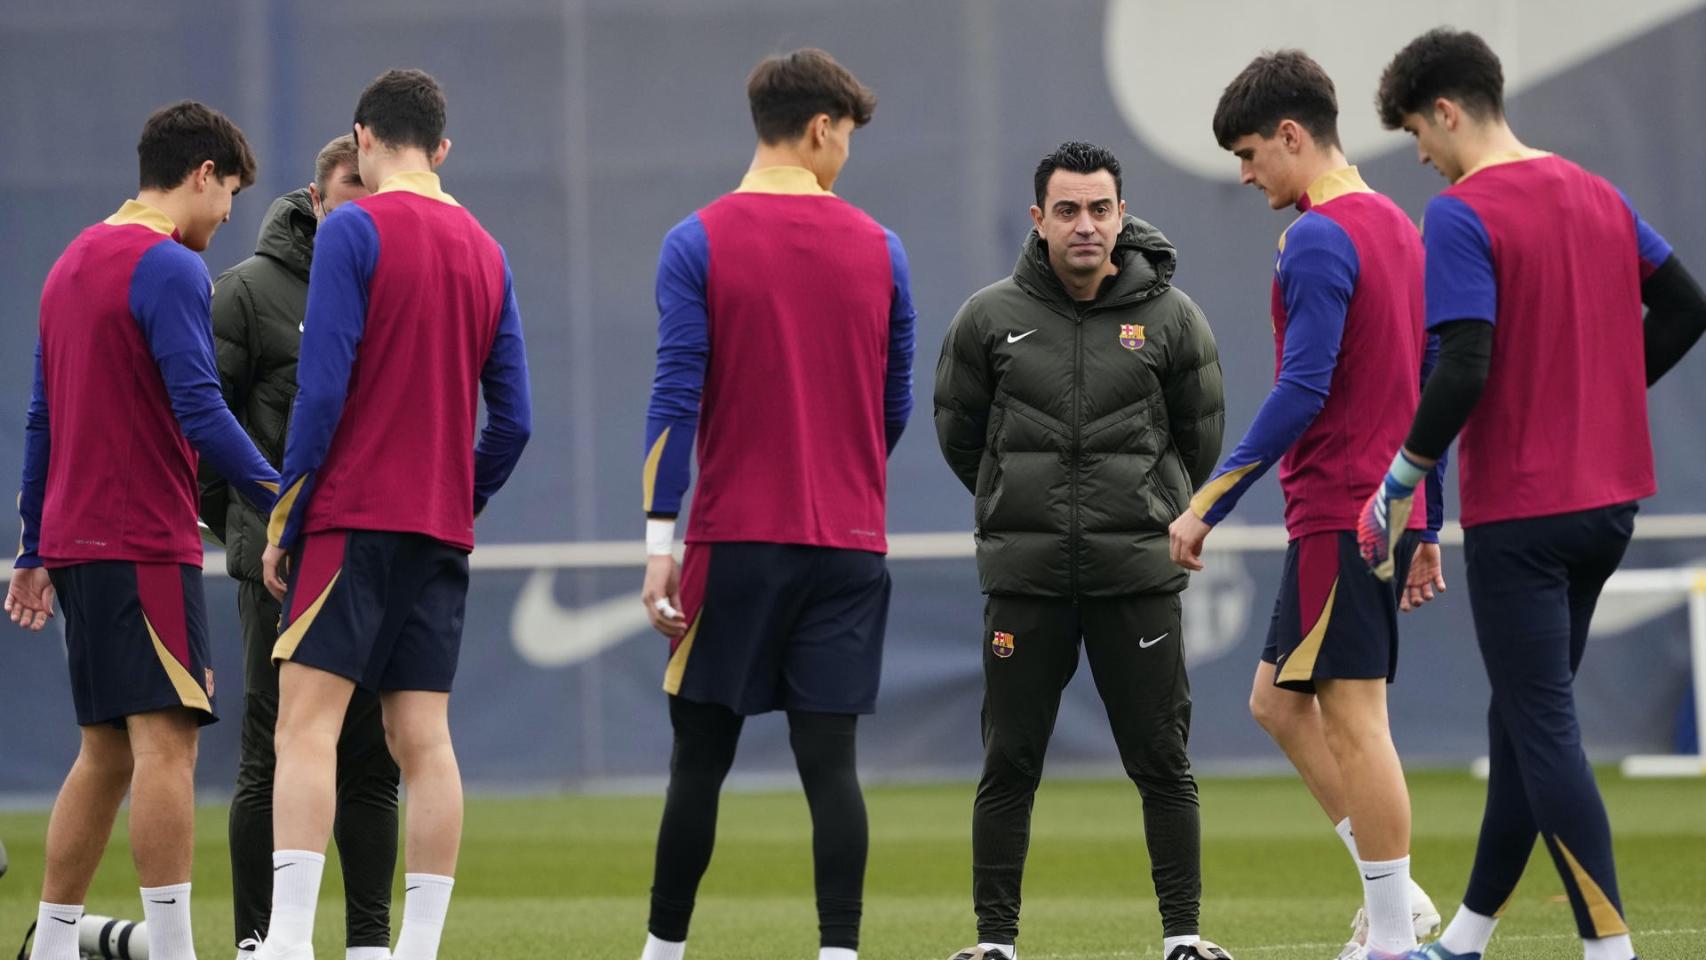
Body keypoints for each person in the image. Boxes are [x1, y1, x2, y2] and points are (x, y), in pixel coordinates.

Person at [1360, 28, 1706, 960]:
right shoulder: (1598, 193)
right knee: (1520, 713)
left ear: (1445, 110)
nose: (1422, 158)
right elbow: (1688, 304)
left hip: (1525, 509)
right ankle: (1467, 936)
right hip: (1610, 505)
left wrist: (1402, 477)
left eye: (1416, 135)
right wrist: (1601, 396)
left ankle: (1609, 947)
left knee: (1544, 724)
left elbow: (1463, 363)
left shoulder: (1463, 214)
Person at [636, 47, 914, 960]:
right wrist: (841, 473)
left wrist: (659, 542)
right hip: (847, 543)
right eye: (847, 139)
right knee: (830, 766)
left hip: (734, 543)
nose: (846, 157)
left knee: (699, 763)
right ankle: (839, 953)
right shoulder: (883, 249)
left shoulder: (697, 240)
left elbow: (675, 401)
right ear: (822, 127)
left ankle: (663, 952)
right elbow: (894, 405)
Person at [1168, 50, 1444, 960]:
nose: (1246, 176)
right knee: (1277, 703)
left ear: (1293, 136)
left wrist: (1207, 500)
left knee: (1357, 721)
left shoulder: (1319, 235)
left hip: (1341, 510)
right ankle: (1402, 902)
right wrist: (1428, 519)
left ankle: (1395, 937)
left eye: (1250, 153)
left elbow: (1302, 389)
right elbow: (1427, 382)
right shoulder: (1399, 227)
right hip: (1377, 510)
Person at [255, 69, 532, 960]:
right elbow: (516, 420)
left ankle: (291, 943)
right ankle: (415, 951)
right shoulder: (487, 248)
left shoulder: (353, 228)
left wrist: (285, 518)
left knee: (306, 726)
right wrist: (460, 494)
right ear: (442, 148)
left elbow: (321, 389)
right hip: (439, 528)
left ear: (362, 138)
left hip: (350, 517)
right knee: (425, 740)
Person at [934, 140, 1229, 960]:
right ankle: (995, 944)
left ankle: (1184, 938)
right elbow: (961, 437)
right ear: (1038, 220)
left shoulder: (1173, 318)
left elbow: (1199, 440)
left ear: (1122, 214)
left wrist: (1139, 511)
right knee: (1009, 765)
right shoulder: (988, 318)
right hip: (1026, 584)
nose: (1086, 225)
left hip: (1135, 578)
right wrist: (1015, 505)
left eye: (1101, 209)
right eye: (1067, 210)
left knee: (1162, 762)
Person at [6, 100, 278, 960]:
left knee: (104, 754)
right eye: (229, 191)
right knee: (167, 746)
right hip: (141, 541)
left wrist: (31, 549)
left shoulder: (69, 263)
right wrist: (282, 494)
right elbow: (201, 407)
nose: (229, 211)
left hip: (78, 546)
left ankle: (51, 947)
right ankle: (171, 950)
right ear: (202, 174)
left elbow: (42, 419)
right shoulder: (168, 269)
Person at [200, 134, 399, 960]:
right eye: (351, 188)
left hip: (373, 554)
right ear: (318, 198)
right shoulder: (246, 292)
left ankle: (368, 944)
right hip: (280, 566)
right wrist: (251, 533)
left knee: (372, 759)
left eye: (374, 189)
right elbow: (204, 432)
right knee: (269, 754)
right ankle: (259, 941)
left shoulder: (398, 282)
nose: (365, 202)